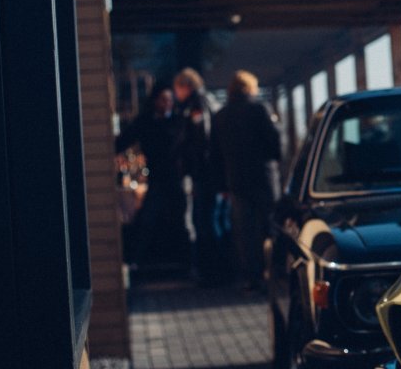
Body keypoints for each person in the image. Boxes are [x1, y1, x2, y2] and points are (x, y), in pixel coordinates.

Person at [210, 70, 281, 292]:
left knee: (245, 232)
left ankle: (252, 277)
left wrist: (221, 185)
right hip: (263, 178)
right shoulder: (260, 109)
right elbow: (275, 143)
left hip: (237, 181)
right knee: (269, 226)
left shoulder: (220, 116)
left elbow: (215, 155)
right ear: (251, 87)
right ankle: (275, 272)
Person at [116, 82, 188, 273]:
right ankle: (136, 261)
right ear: (156, 101)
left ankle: (186, 263)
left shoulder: (178, 121)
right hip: (158, 177)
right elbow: (124, 140)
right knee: (147, 220)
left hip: (174, 177)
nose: (167, 104)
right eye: (163, 100)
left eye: (170, 100)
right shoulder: (147, 122)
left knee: (178, 219)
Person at [172, 68, 225, 285]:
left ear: (186, 86)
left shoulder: (197, 105)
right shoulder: (203, 102)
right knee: (208, 221)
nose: (176, 93)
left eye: (177, 88)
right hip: (206, 174)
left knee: (204, 222)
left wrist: (194, 170)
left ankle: (212, 272)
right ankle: (215, 270)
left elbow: (201, 140)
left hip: (203, 175)